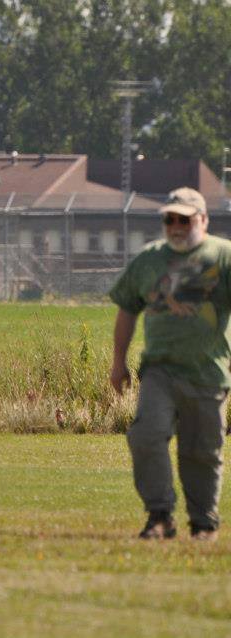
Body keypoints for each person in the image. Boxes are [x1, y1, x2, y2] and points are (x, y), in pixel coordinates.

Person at [109, 187, 231, 542]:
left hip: (208, 371)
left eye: (184, 220)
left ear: (203, 220)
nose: (176, 226)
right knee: (146, 436)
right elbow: (127, 309)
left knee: (202, 452)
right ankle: (160, 515)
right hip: (159, 371)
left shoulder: (223, 256)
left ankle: (203, 524)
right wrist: (118, 363)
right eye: (170, 219)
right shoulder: (149, 260)